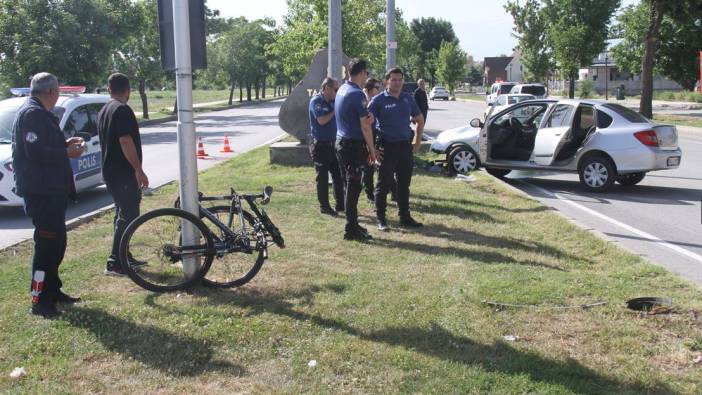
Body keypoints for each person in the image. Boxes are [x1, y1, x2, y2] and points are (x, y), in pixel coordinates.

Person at [12, 72, 85, 318]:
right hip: (41, 192)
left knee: (57, 243)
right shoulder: (32, 114)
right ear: (52, 92)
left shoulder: (40, 113)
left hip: (52, 191)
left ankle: (53, 290)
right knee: (46, 247)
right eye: (58, 93)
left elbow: (45, 145)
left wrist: (65, 144)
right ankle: (40, 300)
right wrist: (67, 154)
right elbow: (35, 152)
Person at [97, 73, 149, 276]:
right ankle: (115, 262)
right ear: (128, 90)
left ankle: (124, 255)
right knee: (129, 215)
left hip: (111, 172)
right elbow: (125, 141)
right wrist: (138, 169)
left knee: (121, 214)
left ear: (109, 89)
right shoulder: (122, 110)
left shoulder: (104, 110)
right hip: (123, 172)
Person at [368, 67, 425, 231]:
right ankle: (381, 219)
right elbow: (366, 123)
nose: (398, 82)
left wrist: (418, 141)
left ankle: (405, 216)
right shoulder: (378, 100)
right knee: (383, 184)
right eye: (394, 79)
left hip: (405, 147)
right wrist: (372, 148)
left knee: (404, 184)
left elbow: (420, 119)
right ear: (387, 81)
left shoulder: (408, 99)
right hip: (387, 147)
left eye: (400, 79)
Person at [335, 59, 378, 241]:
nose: (366, 77)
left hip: (341, 143)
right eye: (366, 74)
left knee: (349, 186)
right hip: (352, 146)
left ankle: (353, 224)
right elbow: (365, 127)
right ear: (361, 73)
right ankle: (350, 229)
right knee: (353, 188)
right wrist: (372, 150)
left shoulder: (342, 90)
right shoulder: (356, 94)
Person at [308, 77, 344, 216]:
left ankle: (341, 204)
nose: (337, 91)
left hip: (334, 144)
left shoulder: (334, 101)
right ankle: (324, 206)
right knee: (322, 178)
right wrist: (335, 110)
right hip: (321, 146)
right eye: (335, 89)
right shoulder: (316, 101)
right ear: (326, 88)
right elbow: (322, 120)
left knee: (338, 175)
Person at [361, 77, 382, 203]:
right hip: (366, 136)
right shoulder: (364, 100)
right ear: (369, 89)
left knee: (376, 163)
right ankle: (369, 193)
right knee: (369, 164)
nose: (379, 91)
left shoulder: (374, 100)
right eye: (377, 88)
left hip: (374, 134)